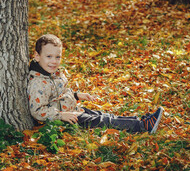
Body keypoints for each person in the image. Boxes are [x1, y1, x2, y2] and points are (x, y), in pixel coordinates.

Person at [27, 34, 164, 133]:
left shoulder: (52, 74)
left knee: (104, 115)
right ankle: (142, 126)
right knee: (103, 122)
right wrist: (61, 116)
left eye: (58, 57)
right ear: (37, 56)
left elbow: (58, 94)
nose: (54, 61)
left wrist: (76, 95)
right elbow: (37, 111)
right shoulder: (38, 83)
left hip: (72, 111)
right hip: (65, 119)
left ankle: (138, 120)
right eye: (49, 56)